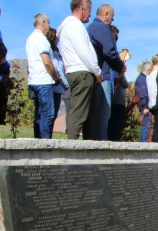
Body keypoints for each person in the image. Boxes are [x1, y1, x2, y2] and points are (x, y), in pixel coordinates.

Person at [57, 0, 103, 140]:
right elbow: (84, 52)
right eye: (89, 11)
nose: (90, 15)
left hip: (80, 73)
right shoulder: (74, 25)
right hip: (82, 73)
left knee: (89, 115)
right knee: (79, 114)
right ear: (82, 9)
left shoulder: (70, 26)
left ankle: (87, 149)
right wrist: (97, 72)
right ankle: (72, 150)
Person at [86, 4, 125, 141]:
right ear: (106, 14)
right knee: (103, 113)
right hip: (103, 75)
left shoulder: (91, 28)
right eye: (112, 16)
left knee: (97, 113)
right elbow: (109, 51)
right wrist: (121, 65)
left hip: (97, 74)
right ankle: (101, 144)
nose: (112, 20)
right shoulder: (101, 27)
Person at [26, 13, 61, 139]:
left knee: (39, 114)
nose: (48, 26)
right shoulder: (41, 39)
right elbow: (46, 61)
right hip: (43, 80)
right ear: (44, 23)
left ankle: (38, 140)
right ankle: (45, 142)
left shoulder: (30, 38)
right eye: (48, 23)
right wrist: (56, 77)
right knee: (48, 113)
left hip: (34, 80)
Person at [47, 28, 70, 137]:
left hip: (57, 88)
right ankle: (46, 136)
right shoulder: (52, 53)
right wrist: (66, 84)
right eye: (57, 38)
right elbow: (58, 69)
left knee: (52, 114)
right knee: (50, 114)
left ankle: (48, 135)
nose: (58, 40)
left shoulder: (55, 51)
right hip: (55, 87)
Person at [107, 25, 128, 141]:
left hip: (113, 96)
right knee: (114, 124)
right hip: (117, 99)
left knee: (111, 123)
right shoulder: (114, 60)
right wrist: (122, 71)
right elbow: (124, 83)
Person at [146, 54, 158, 142]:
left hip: (151, 102)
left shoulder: (149, 75)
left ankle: (155, 140)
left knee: (157, 123)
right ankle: (157, 141)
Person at [135, 61, 150, 142]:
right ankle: (144, 143)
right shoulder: (142, 79)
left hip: (143, 104)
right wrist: (145, 106)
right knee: (145, 125)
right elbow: (143, 93)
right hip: (144, 105)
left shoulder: (141, 78)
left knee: (146, 124)